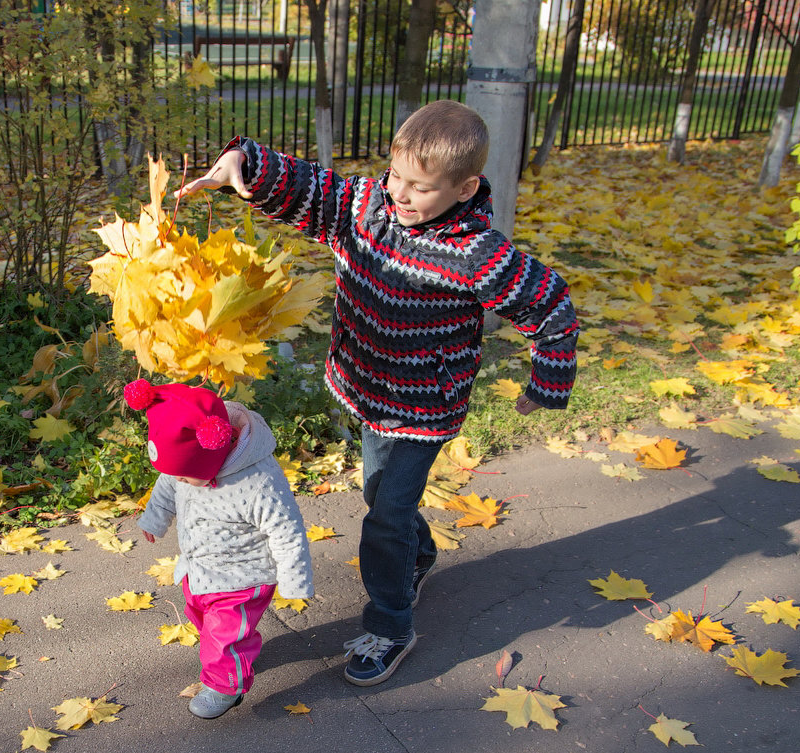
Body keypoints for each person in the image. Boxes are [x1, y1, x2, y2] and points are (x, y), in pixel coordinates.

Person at [175, 99, 580, 687]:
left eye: (420, 188)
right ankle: (416, 556)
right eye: (395, 177)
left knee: (385, 516)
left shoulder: (477, 255)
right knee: (377, 492)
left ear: (465, 189)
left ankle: (391, 623)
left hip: (424, 407)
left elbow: (551, 307)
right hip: (368, 391)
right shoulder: (367, 208)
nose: (401, 195)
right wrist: (244, 161)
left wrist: (547, 383)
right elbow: (311, 187)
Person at [126, 379, 314, 719]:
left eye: (185, 475)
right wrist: (155, 518)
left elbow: (286, 529)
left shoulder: (258, 482)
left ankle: (226, 686)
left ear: (212, 449)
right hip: (198, 568)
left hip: (244, 576)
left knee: (224, 634)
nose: (178, 479)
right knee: (202, 618)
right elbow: (168, 482)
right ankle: (234, 651)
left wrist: (294, 580)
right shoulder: (186, 465)